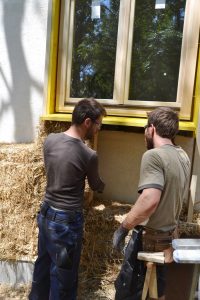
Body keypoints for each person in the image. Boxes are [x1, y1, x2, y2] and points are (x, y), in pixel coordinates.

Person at [29, 98, 106, 300]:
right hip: (66, 223)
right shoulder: (88, 154)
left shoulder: (51, 140)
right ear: (87, 122)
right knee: (63, 278)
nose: (99, 129)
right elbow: (96, 185)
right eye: (98, 124)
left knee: (43, 267)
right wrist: (103, 185)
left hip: (46, 214)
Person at [113, 107, 191, 300]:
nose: (145, 132)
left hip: (149, 240)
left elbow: (149, 200)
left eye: (145, 127)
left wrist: (124, 227)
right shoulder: (182, 156)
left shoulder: (154, 156)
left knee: (128, 294)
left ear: (152, 128)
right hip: (168, 239)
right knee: (158, 294)